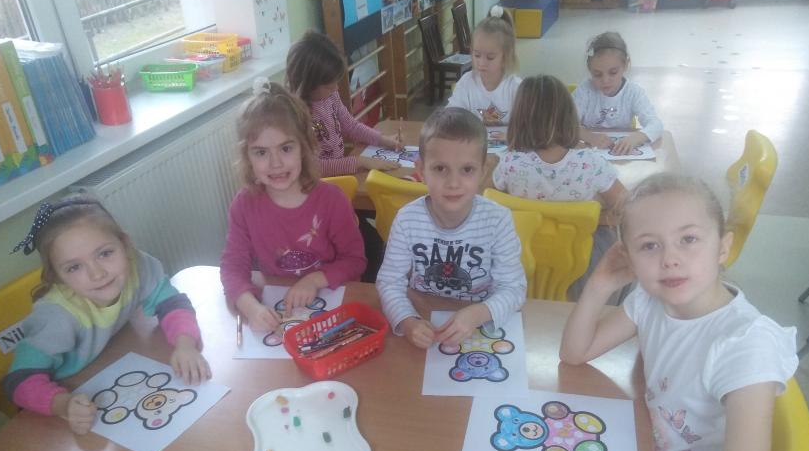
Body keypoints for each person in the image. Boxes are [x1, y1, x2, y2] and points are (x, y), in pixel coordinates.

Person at [556, 173, 798, 451]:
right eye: (649, 246)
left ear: (723, 247)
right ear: (628, 257)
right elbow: (575, 353)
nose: (669, 259)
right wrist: (599, 285)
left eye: (688, 239)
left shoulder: (745, 345)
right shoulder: (652, 300)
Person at [2, 196, 209, 435]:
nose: (97, 273)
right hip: (59, 406)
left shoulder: (137, 265)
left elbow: (171, 302)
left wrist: (185, 345)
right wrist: (63, 405)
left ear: (125, 244)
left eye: (105, 253)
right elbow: (18, 380)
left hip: (105, 366)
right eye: (74, 267)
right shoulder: (56, 317)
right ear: (57, 277)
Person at [220, 79, 367, 334]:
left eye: (286, 148)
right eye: (261, 152)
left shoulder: (331, 200)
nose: (275, 163)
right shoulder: (244, 205)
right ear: (247, 157)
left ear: (304, 148)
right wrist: (250, 307)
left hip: (332, 304)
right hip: (280, 310)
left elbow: (355, 260)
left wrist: (314, 280)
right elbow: (233, 266)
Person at [376, 107, 526, 349]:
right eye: (440, 168)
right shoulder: (407, 219)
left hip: (476, 325)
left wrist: (478, 313)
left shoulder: (498, 220)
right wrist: (407, 320)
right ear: (421, 170)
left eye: (467, 170)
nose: (453, 183)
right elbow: (389, 281)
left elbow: (514, 289)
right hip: (422, 316)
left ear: (482, 172)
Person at [494, 75, 627, 297]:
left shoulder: (508, 163)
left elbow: (488, 208)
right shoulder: (591, 163)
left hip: (522, 264)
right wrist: (595, 218)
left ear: (519, 118)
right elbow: (627, 209)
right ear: (569, 117)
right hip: (583, 269)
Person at [286, 30, 401, 176]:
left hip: (338, 175)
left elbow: (351, 126)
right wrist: (359, 162)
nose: (336, 88)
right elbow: (313, 167)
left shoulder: (330, 96)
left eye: (336, 83)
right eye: (329, 86)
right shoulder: (295, 117)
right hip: (315, 183)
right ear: (308, 84)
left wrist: (383, 140)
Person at [573, 32, 663, 156]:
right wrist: (588, 136)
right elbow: (563, 124)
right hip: (590, 155)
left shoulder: (633, 92)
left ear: (625, 65)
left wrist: (637, 137)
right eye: (597, 74)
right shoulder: (585, 91)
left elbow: (656, 125)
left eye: (613, 72)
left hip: (619, 156)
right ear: (590, 70)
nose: (605, 80)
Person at [447, 5, 522, 126]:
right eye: (477, 55)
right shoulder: (466, 83)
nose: (481, 63)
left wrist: (511, 134)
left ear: (505, 57)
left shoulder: (515, 88)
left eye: (490, 57)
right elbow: (450, 117)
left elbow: (527, 127)